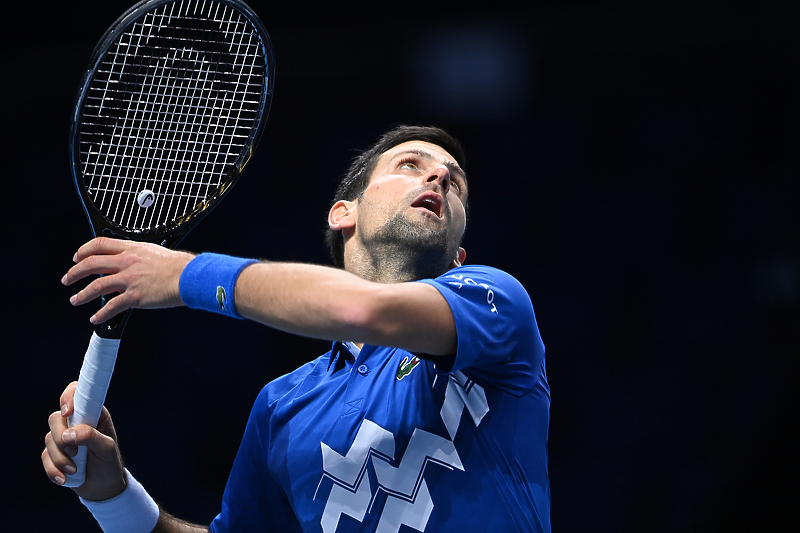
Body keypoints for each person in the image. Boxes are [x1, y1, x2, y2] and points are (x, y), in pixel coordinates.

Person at [43, 125, 551, 532]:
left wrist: (185, 274)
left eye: (454, 181)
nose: (438, 178)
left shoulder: (495, 306)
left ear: (459, 255)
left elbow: (364, 311)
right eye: (410, 165)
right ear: (342, 213)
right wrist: (111, 494)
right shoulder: (281, 408)